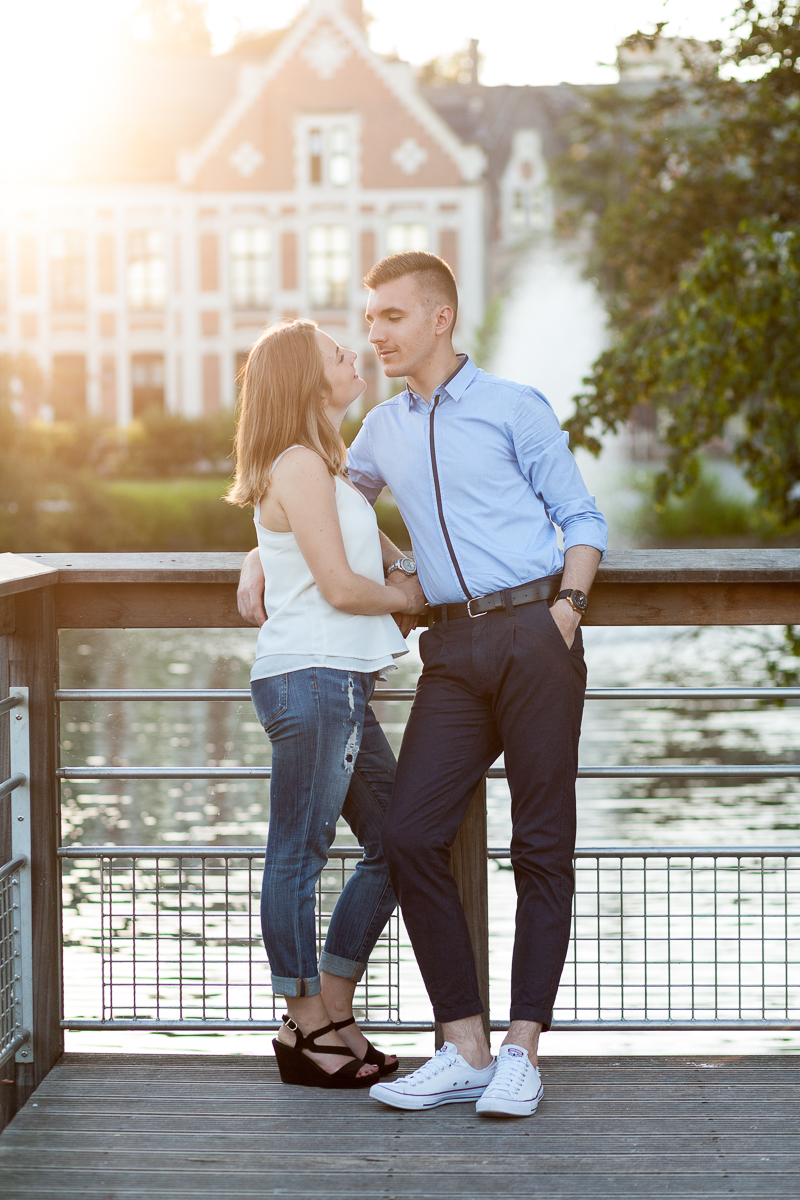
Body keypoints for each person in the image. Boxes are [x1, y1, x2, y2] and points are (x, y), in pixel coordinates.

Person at [237, 252, 608, 1117]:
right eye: (367, 321)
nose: (375, 335)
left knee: (540, 847)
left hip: (534, 633)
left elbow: (583, 520)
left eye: (391, 318)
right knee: (408, 836)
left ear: (439, 318)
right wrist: (259, 546)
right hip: (449, 651)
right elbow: (320, 503)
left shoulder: (514, 406)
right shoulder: (378, 430)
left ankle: (521, 1050)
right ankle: (465, 1045)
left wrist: (568, 609)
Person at [227, 318, 426, 1089]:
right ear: (311, 383)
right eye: (339, 354)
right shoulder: (300, 466)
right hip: (311, 678)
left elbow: (362, 556)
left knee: (401, 842)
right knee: (298, 855)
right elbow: (343, 590)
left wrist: (408, 578)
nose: (356, 357)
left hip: (336, 679)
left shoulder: (327, 468)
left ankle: (329, 1011)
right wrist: (414, 600)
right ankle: (304, 1023)